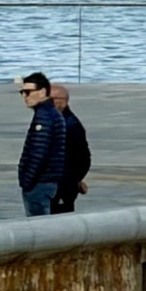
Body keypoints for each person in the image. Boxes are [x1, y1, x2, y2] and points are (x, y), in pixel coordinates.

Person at [14, 73, 64, 216]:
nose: (25, 96)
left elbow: (38, 153)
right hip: (47, 181)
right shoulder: (51, 113)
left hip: (40, 183)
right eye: (22, 93)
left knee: (39, 223)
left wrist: (27, 180)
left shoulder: (44, 116)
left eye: (28, 92)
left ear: (42, 91)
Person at [48, 83, 89, 213]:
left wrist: (72, 181)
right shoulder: (53, 120)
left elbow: (83, 158)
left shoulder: (70, 125)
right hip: (51, 183)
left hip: (60, 186)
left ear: (63, 102)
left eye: (50, 99)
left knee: (58, 216)